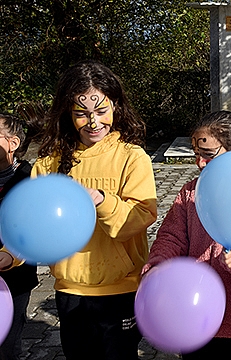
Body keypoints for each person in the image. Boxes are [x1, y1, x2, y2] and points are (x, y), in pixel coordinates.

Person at [31, 60, 157, 360]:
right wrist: (12, 253)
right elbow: (30, 225)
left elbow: (140, 217)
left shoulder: (132, 156)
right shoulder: (49, 163)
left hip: (122, 292)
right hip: (71, 292)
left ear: (115, 106)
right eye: (81, 114)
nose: (93, 122)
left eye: (101, 111)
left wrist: (101, 200)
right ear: (67, 113)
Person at [142, 110, 231, 360]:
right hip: (193, 316)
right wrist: (158, 265)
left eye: (208, 155)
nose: (200, 162)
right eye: (196, 155)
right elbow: (171, 237)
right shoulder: (190, 193)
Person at [0, 109, 42, 360]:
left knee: (5, 348)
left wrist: (10, 255)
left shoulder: (29, 180)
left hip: (12, 280)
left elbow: (35, 232)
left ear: (12, 143)